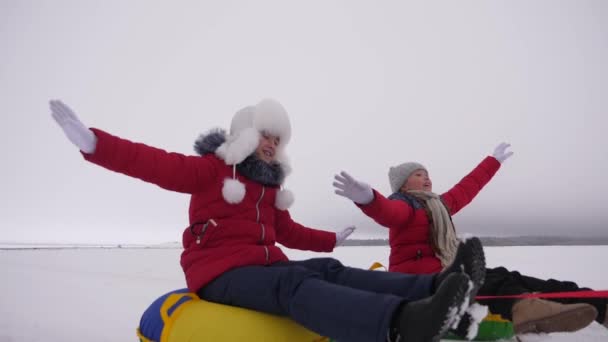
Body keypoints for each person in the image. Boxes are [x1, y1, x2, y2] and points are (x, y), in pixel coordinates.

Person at [50, 98, 486, 342]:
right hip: (219, 272)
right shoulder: (212, 169)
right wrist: (95, 144)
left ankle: (436, 288)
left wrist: (330, 239)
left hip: (265, 265)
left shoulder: (268, 187)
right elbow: (157, 165)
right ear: (244, 134)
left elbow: (287, 232)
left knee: (328, 272)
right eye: (265, 135)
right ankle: (400, 323)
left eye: (278, 139)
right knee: (293, 285)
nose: (272, 145)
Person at [333, 143, 607, 335]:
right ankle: (525, 310)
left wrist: (493, 161)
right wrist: (368, 199)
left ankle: (596, 302)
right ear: (404, 184)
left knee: (507, 275)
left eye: (428, 174)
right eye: (419, 175)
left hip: (450, 272)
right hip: (423, 284)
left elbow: (468, 187)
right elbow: (386, 212)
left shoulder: (440, 205)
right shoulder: (404, 206)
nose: (427, 179)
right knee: (494, 281)